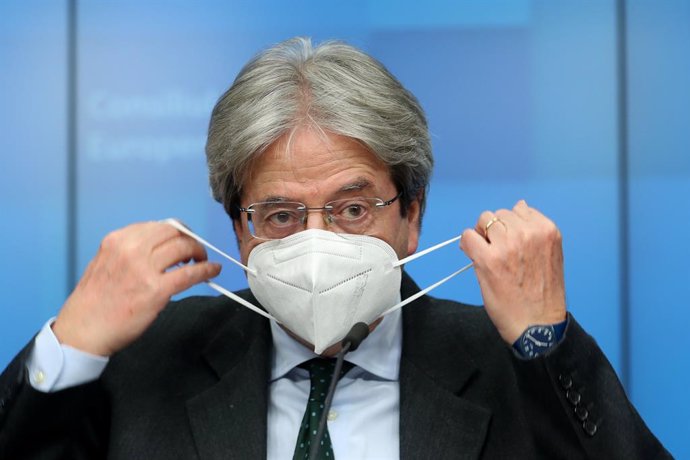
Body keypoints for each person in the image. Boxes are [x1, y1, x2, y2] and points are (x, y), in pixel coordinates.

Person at [0, 37, 669, 459]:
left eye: (353, 209)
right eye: (282, 214)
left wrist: (548, 343)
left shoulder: (511, 364)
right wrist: (70, 346)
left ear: (412, 215)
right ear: (239, 229)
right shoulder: (144, 360)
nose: (317, 241)